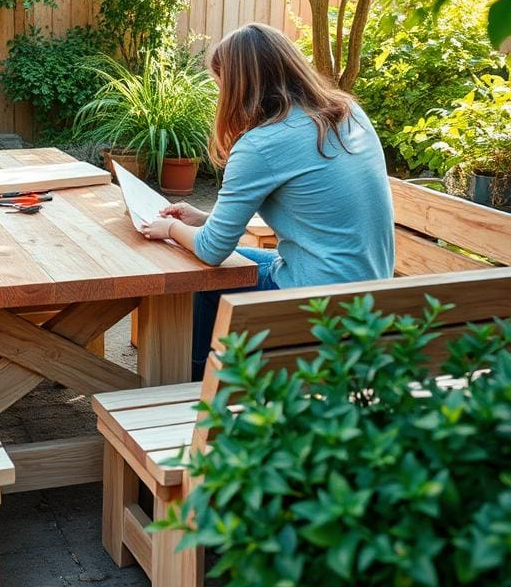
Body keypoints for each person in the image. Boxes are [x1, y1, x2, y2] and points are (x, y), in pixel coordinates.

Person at [140, 23, 395, 380]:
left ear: (239, 87)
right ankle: (205, 376)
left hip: (318, 303)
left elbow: (212, 250)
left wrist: (170, 227)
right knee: (232, 264)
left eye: (220, 84)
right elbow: (313, 203)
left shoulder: (262, 144)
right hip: (371, 292)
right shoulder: (348, 113)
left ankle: (190, 388)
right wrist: (201, 218)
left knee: (202, 275)